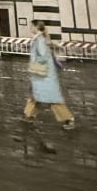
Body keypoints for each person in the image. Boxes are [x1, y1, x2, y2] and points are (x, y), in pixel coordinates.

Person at [24, 21, 75, 150]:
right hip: (43, 73)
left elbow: (43, 57)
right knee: (37, 95)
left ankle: (68, 119)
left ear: (36, 27)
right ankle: (29, 116)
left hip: (43, 74)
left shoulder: (39, 39)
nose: (30, 28)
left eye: (31, 26)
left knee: (51, 99)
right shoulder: (41, 39)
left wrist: (33, 66)